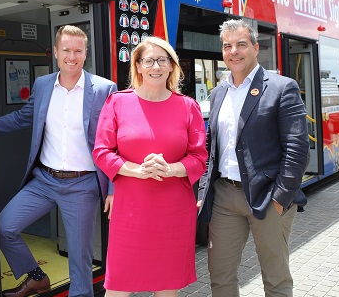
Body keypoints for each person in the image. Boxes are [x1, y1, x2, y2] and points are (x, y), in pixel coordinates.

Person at [0, 25, 117, 297]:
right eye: (66, 50)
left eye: (78, 50)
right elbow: (22, 118)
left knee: (79, 260)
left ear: (85, 53)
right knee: (5, 226)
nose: (71, 57)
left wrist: (112, 188)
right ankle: (36, 277)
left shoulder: (103, 89)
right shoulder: (42, 85)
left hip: (82, 185)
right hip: (44, 180)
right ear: (55, 52)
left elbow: (114, 141)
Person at [197, 19, 309, 297]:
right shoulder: (218, 92)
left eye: (241, 45)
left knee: (275, 280)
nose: (234, 51)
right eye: (227, 46)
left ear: (256, 48)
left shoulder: (282, 87)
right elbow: (212, 146)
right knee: (220, 277)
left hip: (268, 196)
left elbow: (297, 149)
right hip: (224, 197)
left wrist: (281, 198)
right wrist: (203, 189)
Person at [93, 36, 208, 296]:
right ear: (138, 66)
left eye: (162, 60)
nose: (155, 66)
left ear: (171, 66)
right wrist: (137, 170)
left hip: (174, 212)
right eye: (149, 60)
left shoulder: (188, 107)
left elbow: (199, 157)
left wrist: (170, 168)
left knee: (167, 287)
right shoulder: (117, 102)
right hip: (130, 210)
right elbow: (101, 151)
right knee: (117, 287)